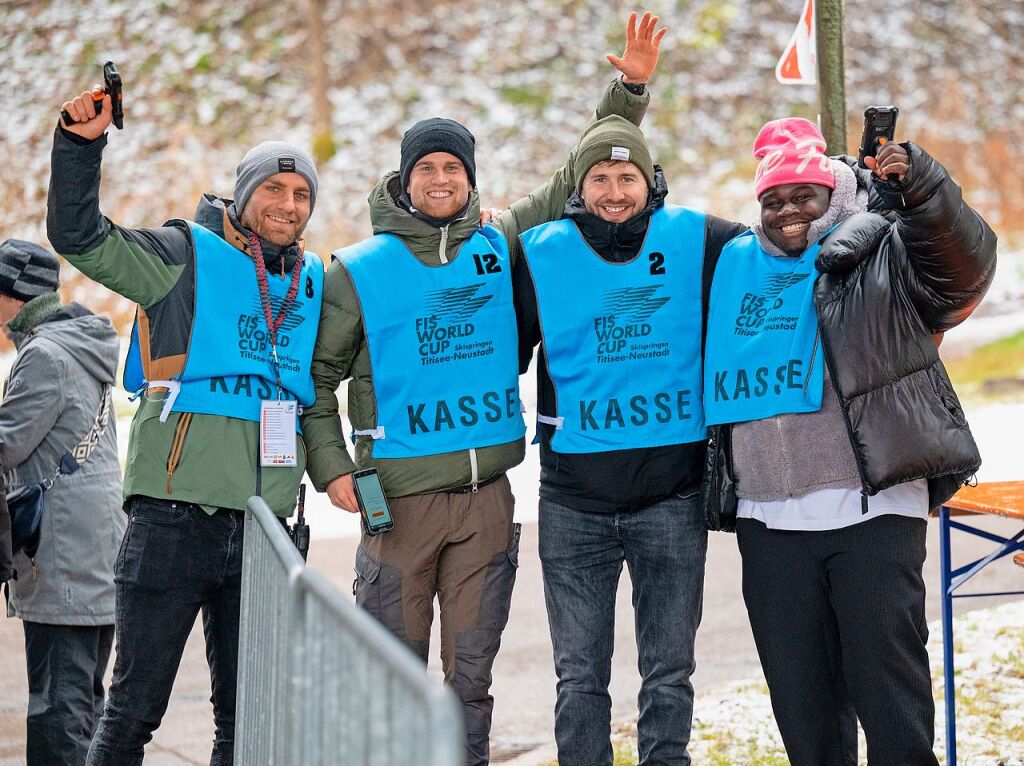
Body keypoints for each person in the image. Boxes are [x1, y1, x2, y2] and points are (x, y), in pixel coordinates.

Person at [299, 14, 663, 764]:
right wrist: (331, 466)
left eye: (453, 169)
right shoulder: (356, 269)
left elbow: (579, 175)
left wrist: (628, 91)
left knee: (470, 680)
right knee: (392, 677)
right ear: (405, 179)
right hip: (396, 507)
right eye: (426, 168)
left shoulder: (499, 243)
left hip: (488, 503)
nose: (440, 180)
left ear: (471, 179)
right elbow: (318, 380)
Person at [702, 117, 997, 765]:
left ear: (832, 194)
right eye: (773, 199)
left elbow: (965, 268)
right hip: (769, 519)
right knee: (805, 713)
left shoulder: (881, 248)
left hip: (870, 510)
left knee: (889, 701)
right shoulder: (734, 264)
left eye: (803, 195)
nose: (787, 211)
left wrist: (922, 188)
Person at [47, 87, 323, 765]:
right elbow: (80, 238)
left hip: (265, 532)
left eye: (302, 194)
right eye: (275, 189)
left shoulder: (314, 281)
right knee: (133, 714)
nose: (288, 205)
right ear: (244, 193)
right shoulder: (182, 257)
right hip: (174, 519)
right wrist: (80, 148)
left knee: (246, 721)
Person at [515, 110, 746, 763]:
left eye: (628, 176)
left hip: (670, 500)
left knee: (668, 673)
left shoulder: (700, 241)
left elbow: (788, 242)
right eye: (600, 177)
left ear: (651, 181)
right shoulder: (540, 253)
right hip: (572, 505)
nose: (615, 191)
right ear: (579, 186)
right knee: (580, 679)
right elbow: (489, 349)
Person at [0, 239, 124, 766]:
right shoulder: (80, 344)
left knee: (59, 711)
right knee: (83, 704)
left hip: (62, 555)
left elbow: (7, 444)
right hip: (94, 546)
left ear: (13, 295)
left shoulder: (44, 355)